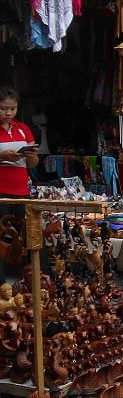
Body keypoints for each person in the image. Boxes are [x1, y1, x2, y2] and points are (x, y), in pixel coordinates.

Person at [0, 86, 39, 283]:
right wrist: (2, 156)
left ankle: (30, 280)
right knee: (1, 237)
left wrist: (31, 155)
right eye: (3, 108)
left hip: (21, 191)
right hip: (1, 193)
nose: (8, 113)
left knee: (27, 235)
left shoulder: (22, 128)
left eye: (12, 108)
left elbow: (32, 164)